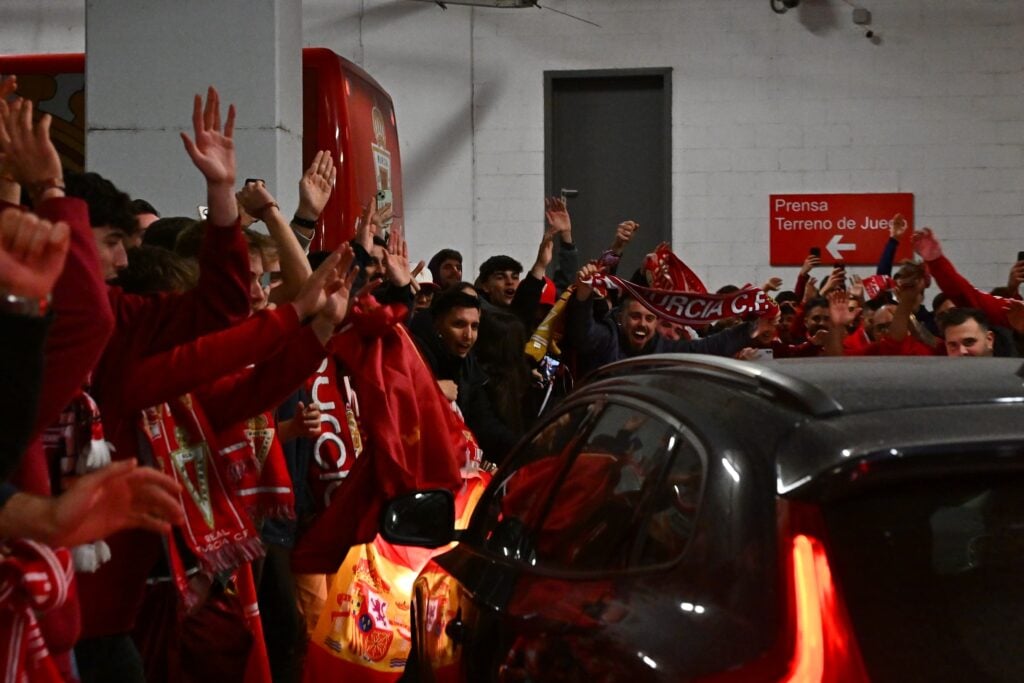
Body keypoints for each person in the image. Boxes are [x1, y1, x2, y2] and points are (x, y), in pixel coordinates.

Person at [565, 263, 772, 375]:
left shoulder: (664, 348)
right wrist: (584, 293)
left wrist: (751, 329)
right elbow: (582, 334)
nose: (642, 324)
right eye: (636, 317)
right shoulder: (608, 337)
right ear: (622, 318)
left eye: (649, 319)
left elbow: (709, 347)